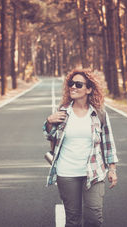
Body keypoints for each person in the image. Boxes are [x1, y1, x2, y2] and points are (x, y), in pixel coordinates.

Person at [43, 68, 118, 227]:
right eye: (71, 83)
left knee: (94, 218)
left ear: (89, 89)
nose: (73, 87)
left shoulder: (99, 114)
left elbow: (108, 143)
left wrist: (112, 169)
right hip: (67, 172)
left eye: (78, 84)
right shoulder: (63, 112)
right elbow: (50, 136)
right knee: (73, 219)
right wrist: (50, 121)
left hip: (94, 172)